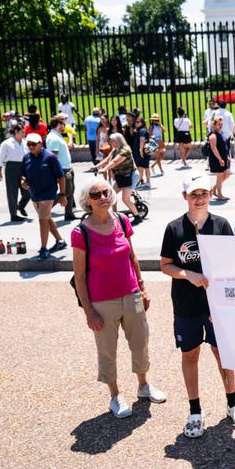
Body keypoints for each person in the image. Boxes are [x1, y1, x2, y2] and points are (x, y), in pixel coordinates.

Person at [160, 173, 235, 438]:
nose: (199, 199)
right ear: (185, 197)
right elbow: (165, 264)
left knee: (223, 353)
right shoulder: (174, 228)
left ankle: (233, 402)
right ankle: (195, 411)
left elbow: (234, 265)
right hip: (186, 304)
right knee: (190, 355)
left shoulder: (221, 225)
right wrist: (186, 274)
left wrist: (225, 305)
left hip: (217, 307)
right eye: (194, 194)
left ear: (210, 195)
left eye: (203, 194)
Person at [72, 178, 165, 419]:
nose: (103, 196)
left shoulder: (122, 221)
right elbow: (80, 277)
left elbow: (133, 258)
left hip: (131, 293)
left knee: (140, 342)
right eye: (96, 195)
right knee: (107, 349)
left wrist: (142, 288)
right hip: (102, 302)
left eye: (106, 191)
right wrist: (88, 311)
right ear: (87, 202)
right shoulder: (80, 232)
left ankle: (143, 385)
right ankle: (115, 395)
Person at [20, 133, 67, 260]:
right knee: (46, 218)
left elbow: (61, 176)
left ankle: (43, 249)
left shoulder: (50, 157)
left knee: (42, 220)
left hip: (49, 193)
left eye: (33, 144)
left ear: (41, 144)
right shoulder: (26, 158)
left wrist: (62, 195)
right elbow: (24, 175)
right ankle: (60, 241)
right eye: (28, 144)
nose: (31, 147)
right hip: (34, 194)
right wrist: (24, 182)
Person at [94, 133, 142, 223]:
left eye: (111, 141)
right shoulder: (115, 150)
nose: (110, 143)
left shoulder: (125, 150)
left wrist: (104, 169)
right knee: (111, 195)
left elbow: (115, 161)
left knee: (125, 199)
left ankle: (137, 217)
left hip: (131, 176)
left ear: (117, 141)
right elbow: (108, 159)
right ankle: (115, 215)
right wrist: (97, 166)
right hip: (122, 176)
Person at [0, 125, 31, 221]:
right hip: (11, 167)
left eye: (24, 132)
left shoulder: (25, 143)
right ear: (16, 131)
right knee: (12, 191)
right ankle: (13, 214)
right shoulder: (6, 143)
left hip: (23, 167)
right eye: (22, 132)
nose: (24, 134)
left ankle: (21, 205)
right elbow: (0, 158)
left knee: (28, 191)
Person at [45, 116, 77, 220]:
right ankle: (45, 209)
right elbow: (54, 156)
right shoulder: (53, 137)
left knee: (70, 191)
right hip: (62, 169)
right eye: (63, 124)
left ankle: (69, 214)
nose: (65, 126)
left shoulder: (57, 135)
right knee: (66, 191)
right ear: (59, 125)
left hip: (67, 167)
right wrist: (58, 172)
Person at [207, 116, 231, 201]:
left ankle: (214, 188)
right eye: (218, 124)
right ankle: (220, 195)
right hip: (216, 159)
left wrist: (227, 157)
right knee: (220, 177)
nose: (220, 126)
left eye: (221, 124)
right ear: (214, 125)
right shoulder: (213, 135)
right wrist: (220, 159)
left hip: (223, 158)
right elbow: (214, 148)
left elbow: (223, 146)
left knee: (227, 174)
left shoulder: (220, 133)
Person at [132, 116, 151, 190]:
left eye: (138, 122)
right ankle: (143, 182)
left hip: (142, 152)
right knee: (142, 167)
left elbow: (142, 140)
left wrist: (140, 150)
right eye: (135, 122)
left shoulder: (142, 130)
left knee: (143, 167)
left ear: (142, 123)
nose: (136, 123)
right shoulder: (141, 130)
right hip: (142, 151)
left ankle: (146, 182)